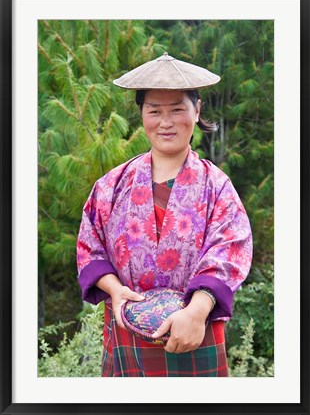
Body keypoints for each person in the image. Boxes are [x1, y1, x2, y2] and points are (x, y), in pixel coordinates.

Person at [77, 53, 253, 377]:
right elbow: (90, 248)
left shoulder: (217, 187)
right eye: (154, 111)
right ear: (142, 114)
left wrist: (197, 312)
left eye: (177, 109)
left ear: (197, 110)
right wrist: (115, 290)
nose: (166, 122)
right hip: (127, 333)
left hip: (194, 331)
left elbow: (229, 252)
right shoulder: (111, 185)